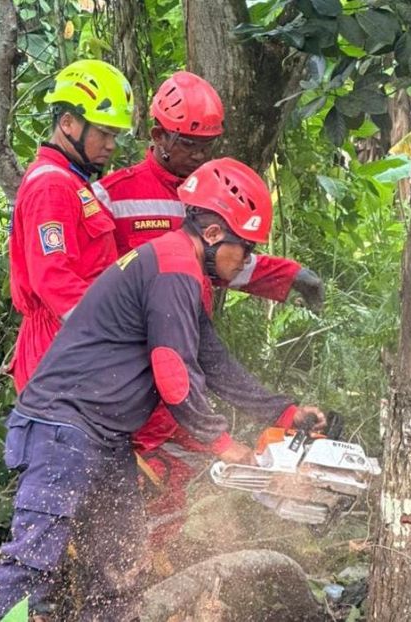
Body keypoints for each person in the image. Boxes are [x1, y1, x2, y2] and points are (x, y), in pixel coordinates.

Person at [0, 157, 326, 620]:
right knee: (30, 561)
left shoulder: (178, 267)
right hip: (63, 427)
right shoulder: (172, 269)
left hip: (103, 436)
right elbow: (173, 370)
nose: (245, 262)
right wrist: (221, 443)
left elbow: (213, 361)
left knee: (120, 564)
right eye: (245, 250)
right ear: (214, 234)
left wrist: (283, 414)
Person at [90, 71, 325, 556]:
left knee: (178, 465)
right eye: (189, 144)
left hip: (185, 347)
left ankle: (154, 564)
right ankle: (117, 570)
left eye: (206, 145)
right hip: (132, 363)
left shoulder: (213, 195)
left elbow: (228, 264)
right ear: (158, 136)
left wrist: (285, 275)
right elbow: (93, 284)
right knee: (134, 472)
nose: (198, 156)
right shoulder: (116, 194)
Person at [7, 59, 133, 393]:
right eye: (104, 133)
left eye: (115, 135)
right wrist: (113, 331)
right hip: (58, 349)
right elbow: (53, 280)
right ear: (68, 123)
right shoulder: (52, 187)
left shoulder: (74, 182)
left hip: (73, 344)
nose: (111, 145)